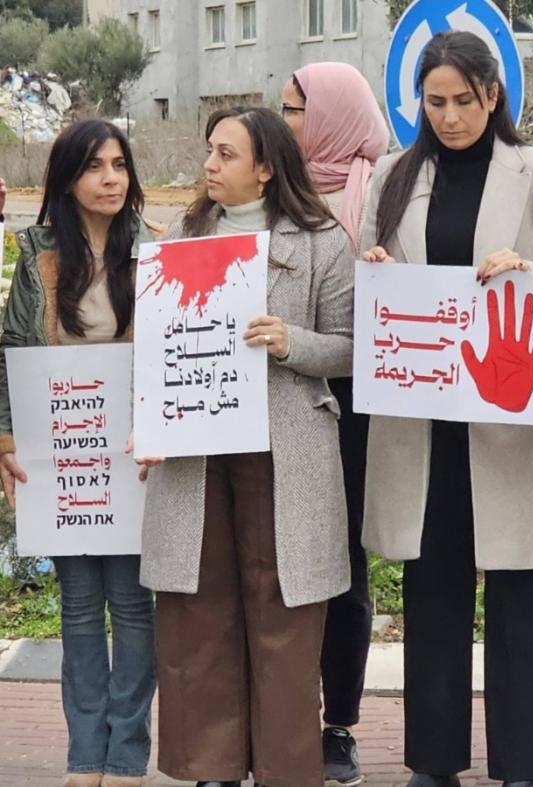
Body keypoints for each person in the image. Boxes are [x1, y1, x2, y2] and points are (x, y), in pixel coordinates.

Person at [359, 30, 533, 787]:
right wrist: (380, 276)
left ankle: (526, 761)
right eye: (435, 102)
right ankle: (433, 760)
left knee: (522, 591)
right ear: (416, 102)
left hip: (507, 414)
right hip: (422, 422)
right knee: (432, 591)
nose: (449, 116)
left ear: (494, 95)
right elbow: (370, 282)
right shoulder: (393, 175)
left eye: (463, 100)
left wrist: (531, 275)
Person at [132, 106, 354, 787]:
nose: (208, 165)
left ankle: (287, 769)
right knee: (199, 610)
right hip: (197, 453)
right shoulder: (181, 236)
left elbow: (352, 349)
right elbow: (153, 344)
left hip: (285, 449)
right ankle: (213, 768)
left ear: (266, 166)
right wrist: (148, 417)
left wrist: (292, 342)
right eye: (209, 151)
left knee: (285, 610)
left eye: (226, 154)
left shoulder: (323, 241)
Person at [0, 120, 158, 787]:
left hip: (131, 452)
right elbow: (11, 345)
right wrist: (7, 436)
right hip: (57, 451)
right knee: (76, 604)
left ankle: (126, 753)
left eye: (119, 165)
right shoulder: (36, 250)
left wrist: (161, 429)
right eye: (95, 167)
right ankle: (83, 754)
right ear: (68, 178)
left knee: (131, 602)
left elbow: (170, 350)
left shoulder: (152, 250)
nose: (111, 179)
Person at [281, 60, 389, 787]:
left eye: (295, 109)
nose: (283, 119)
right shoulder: (275, 189)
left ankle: (338, 723)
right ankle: (282, 711)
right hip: (285, 397)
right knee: (283, 559)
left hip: (359, 407)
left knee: (344, 565)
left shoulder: (384, 191)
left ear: (332, 115)